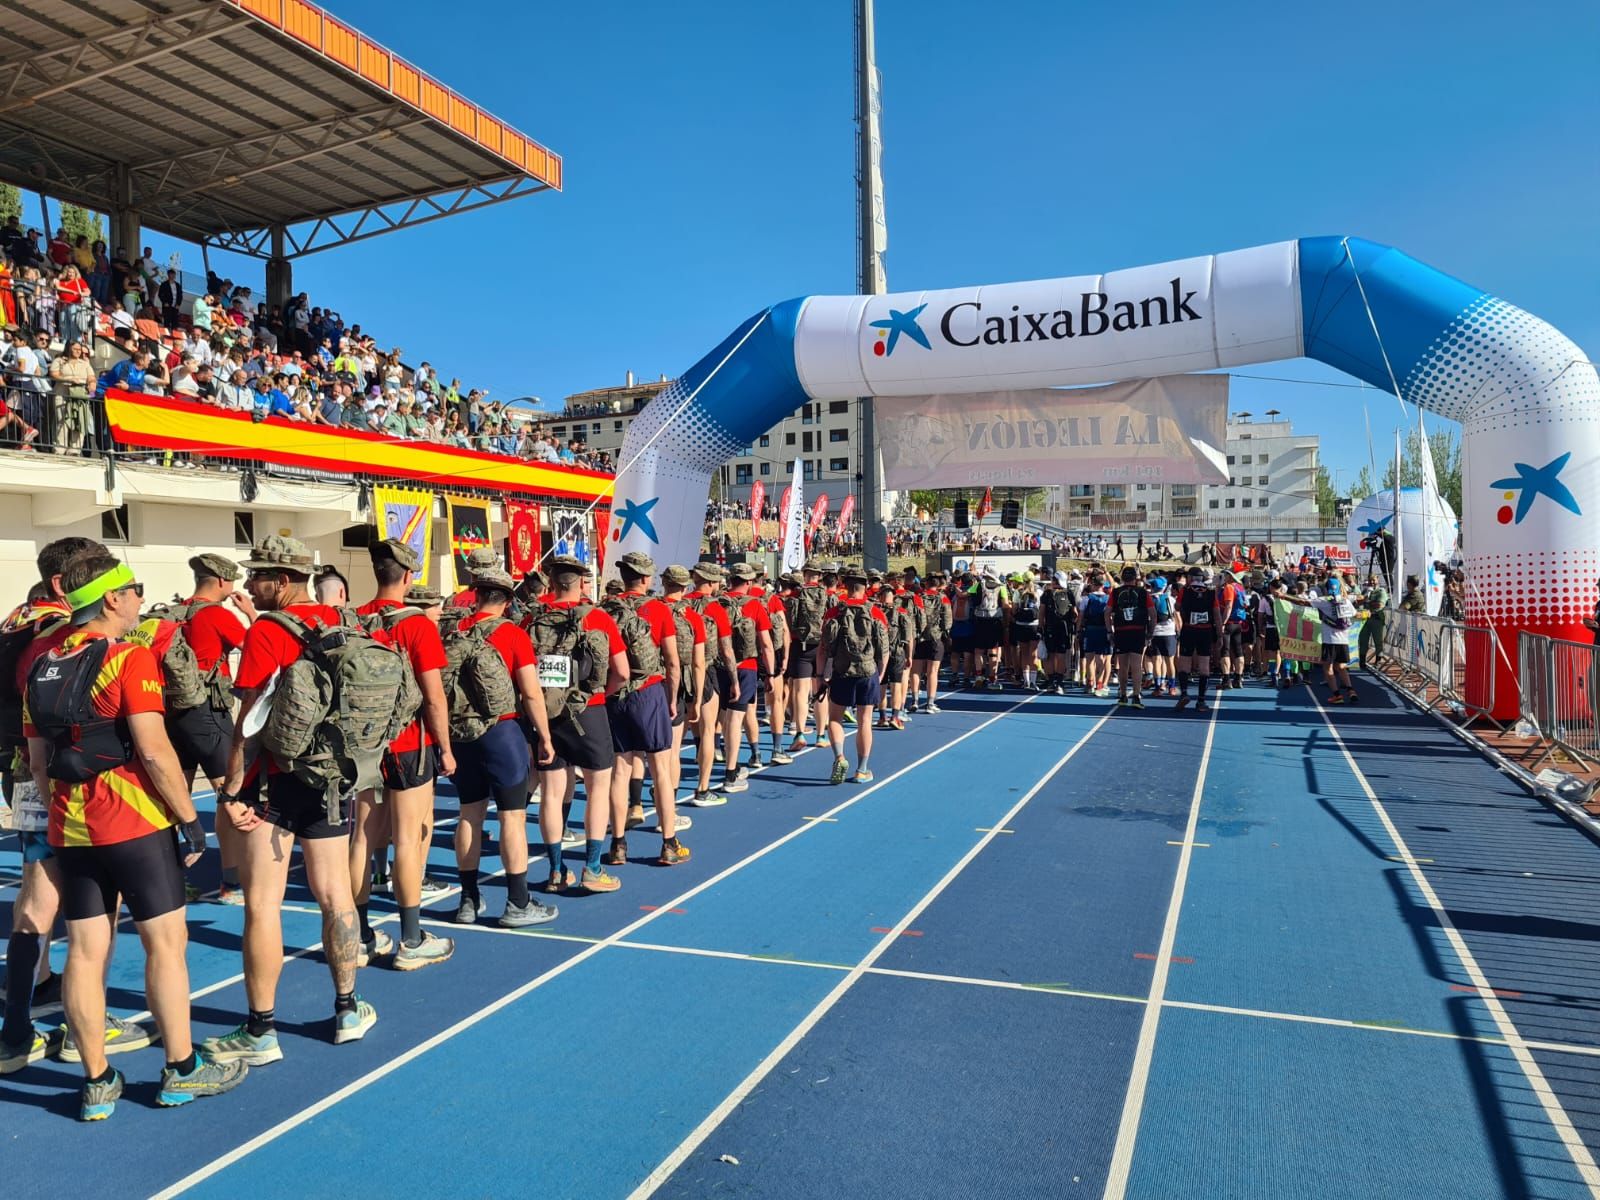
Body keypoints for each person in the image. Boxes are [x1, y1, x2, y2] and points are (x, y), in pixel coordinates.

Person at [24, 549, 246, 1118]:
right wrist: (191, 820)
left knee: (85, 953)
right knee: (166, 946)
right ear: (112, 598)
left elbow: (39, 758)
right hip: (136, 823)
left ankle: (97, 1082)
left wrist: (62, 812)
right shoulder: (129, 658)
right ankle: (181, 1069)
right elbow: (153, 748)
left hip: (72, 825)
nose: (141, 599)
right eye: (135, 589)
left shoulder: (41, 664)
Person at [207, 537, 377, 1066]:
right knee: (336, 896)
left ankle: (261, 1030)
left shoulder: (267, 630)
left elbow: (247, 724)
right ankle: (347, 1009)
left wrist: (232, 789)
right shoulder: (344, 621)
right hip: (329, 778)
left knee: (262, 904)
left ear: (282, 582)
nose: (248, 584)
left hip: (271, 784)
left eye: (257, 576)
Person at [1, 536, 129, 1077]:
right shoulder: (58, 634)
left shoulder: (16, 621)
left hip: (19, 769)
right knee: (89, 901)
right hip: (57, 774)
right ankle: (80, 1032)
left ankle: (19, 1026)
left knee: (37, 896)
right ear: (65, 583)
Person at [349, 540, 457, 963]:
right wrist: (445, 748)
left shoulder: (356, 620)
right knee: (408, 839)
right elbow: (433, 697)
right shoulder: (417, 626)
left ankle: (359, 935)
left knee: (362, 836)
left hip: (364, 746)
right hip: (409, 744)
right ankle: (411, 938)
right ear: (408, 577)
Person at [444, 566, 557, 922]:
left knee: (469, 815)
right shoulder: (512, 634)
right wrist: (545, 737)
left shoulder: (454, 631)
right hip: (502, 732)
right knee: (512, 817)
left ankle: (468, 899)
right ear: (508, 600)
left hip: (462, 733)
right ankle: (518, 902)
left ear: (475, 595)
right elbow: (530, 691)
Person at [526, 557, 628, 893]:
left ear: (552, 582)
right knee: (598, 788)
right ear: (581, 583)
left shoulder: (533, 619)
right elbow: (622, 672)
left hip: (546, 712)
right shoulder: (598, 618)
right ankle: (593, 867)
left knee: (551, 793)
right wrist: (599, 695)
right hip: (589, 710)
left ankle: (556, 870)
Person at [164, 554, 254, 905]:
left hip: (173, 714)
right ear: (221, 582)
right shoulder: (217, 615)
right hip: (208, 713)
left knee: (175, 797)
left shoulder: (176, 613)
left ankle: (173, 880)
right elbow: (255, 647)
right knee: (229, 795)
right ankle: (231, 883)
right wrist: (249, 615)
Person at [601, 551, 688, 866]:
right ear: (647, 579)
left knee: (620, 771)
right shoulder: (659, 610)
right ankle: (669, 842)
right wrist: (671, 699)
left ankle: (618, 844)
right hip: (650, 691)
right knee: (660, 770)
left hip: (615, 694)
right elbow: (673, 662)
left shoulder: (605, 610)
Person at [818, 567, 890, 783]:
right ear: (865, 587)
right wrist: (880, 673)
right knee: (865, 721)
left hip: (842, 671)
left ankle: (839, 756)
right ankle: (862, 769)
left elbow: (823, 647)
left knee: (835, 719)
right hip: (868, 672)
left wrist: (822, 674)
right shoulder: (876, 612)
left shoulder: (834, 613)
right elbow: (883, 649)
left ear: (845, 586)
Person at [718, 563, 775, 786]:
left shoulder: (717, 603)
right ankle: (731, 773)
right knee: (735, 719)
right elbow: (766, 644)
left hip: (718, 665)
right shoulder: (755, 605)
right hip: (745, 667)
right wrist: (770, 673)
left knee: (720, 718)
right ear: (749, 582)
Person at [683, 563, 733, 806]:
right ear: (712, 583)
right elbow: (726, 648)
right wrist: (734, 679)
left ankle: (667, 791)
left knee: (675, 738)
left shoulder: (679, 604)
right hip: (706, 668)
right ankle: (703, 788)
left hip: (679, 671)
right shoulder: (715, 608)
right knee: (709, 729)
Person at [782, 559, 830, 747]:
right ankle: (821, 735)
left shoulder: (795, 596)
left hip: (801, 645)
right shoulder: (828, 596)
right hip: (822, 647)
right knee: (822, 690)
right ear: (819, 576)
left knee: (801, 691)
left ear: (804, 574)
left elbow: (790, 622)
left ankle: (800, 733)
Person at [1302, 576, 1359, 704]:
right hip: (1343, 640)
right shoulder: (1346, 601)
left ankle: (1337, 695)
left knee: (1328, 668)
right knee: (1341, 666)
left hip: (1329, 640)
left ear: (1327, 589)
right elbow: (1355, 614)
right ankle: (1351, 690)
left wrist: (1284, 596)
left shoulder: (1323, 601)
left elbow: (1304, 603)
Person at [1174, 566, 1220, 713]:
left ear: (1190, 578)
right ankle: (1201, 700)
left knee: (1184, 663)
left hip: (1189, 629)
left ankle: (1184, 693)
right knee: (1204, 665)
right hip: (1205, 631)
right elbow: (1217, 614)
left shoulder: (1184, 591)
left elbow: (1177, 606)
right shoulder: (1211, 593)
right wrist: (1219, 634)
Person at [1107, 566, 1155, 708]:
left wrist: (1110, 631)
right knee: (1136, 665)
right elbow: (1153, 614)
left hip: (1121, 630)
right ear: (1135, 578)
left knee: (1123, 665)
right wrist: (1150, 633)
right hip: (1138, 631)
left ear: (1122, 578)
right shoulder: (1143, 593)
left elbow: (1107, 612)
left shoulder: (1115, 593)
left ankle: (1122, 695)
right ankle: (1136, 695)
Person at [911, 570, 951, 712]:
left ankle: (914, 701)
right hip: (935, 636)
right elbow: (947, 620)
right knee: (932, 672)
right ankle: (930, 703)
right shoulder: (943, 598)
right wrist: (945, 633)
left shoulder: (917, 597)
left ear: (926, 583)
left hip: (918, 636)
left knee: (915, 671)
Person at [1078, 572, 1112, 697]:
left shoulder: (1086, 598)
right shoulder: (1108, 599)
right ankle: (1099, 683)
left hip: (1090, 629)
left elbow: (1081, 616)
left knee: (1089, 658)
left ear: (1093, 584)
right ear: (1103, 585)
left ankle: (1090, 683)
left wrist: (1078, 630)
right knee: (1100, 658)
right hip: (1103, 629)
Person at [1358, 574, 1390, 671]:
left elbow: (1379, 605)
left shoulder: (1381, 591)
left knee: (1378, 641)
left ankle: (1378, 661)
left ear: (1377, 580)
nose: (1372, 582)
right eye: (1370, 580)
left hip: (1376, 620)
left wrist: (1367, 601)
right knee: (1363, 641)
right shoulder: (1366, 590)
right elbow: (1358, 601)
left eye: (1373, 580)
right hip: (1365, 619)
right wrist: (1365, 600)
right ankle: (1362, 661)